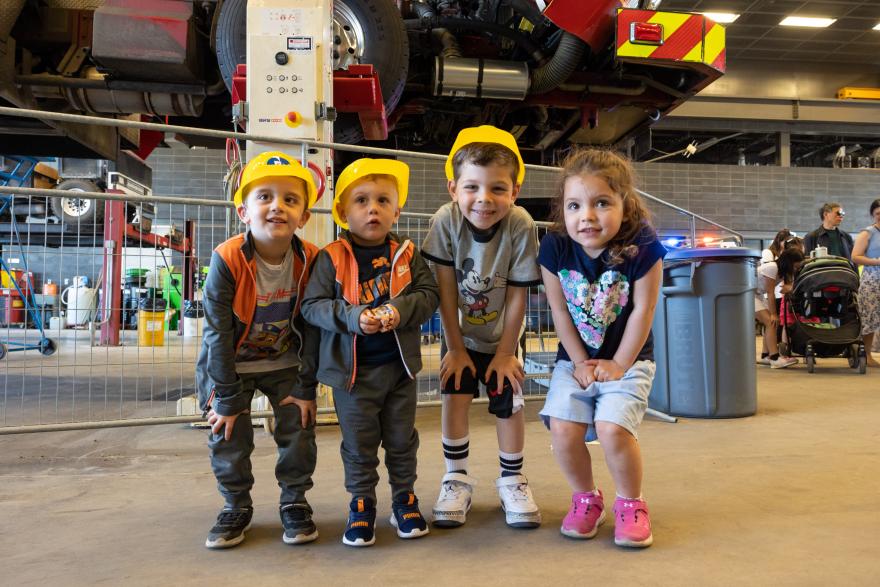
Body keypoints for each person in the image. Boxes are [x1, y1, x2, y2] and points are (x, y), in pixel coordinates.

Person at [301, 158, 439, 547]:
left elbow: (428, 296)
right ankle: (361, 504)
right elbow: (313, 307)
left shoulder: (409, 255)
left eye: (382, 200)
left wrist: (399, 310)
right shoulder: (330, 257)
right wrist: (354, 317)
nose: (372, 208)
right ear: (343, 211)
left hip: (399, 373)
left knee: (401, 439)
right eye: (361, 200)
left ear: (397, 210)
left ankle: (404, 499)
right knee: (359, 444)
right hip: (353, 377)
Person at [536, 149, 666, 548]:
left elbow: (644, 309)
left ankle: (631, 503)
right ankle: (586, 499)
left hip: (630, 359)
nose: (587, 216)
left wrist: (619, 363)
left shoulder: (643, 246)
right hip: (574, 360)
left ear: (625, 205)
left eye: (602, 203)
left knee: (611, 430)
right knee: (563, 428)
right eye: (574, 205)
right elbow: (558, 308)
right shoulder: (555, 247)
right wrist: (579, 362)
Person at [196, 151, 321, 549]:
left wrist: (305, 386)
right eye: (264, 197)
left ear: (303, 216)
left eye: (290, 199)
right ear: (243, 211)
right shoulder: (227, 258)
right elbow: (216, 331)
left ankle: (295, 502)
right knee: (227, 431)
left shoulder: (313, 259)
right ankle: (236, 504)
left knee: (299, 428)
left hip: (285, 360)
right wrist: (227, 396)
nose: (277, 206)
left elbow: (315, 328)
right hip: (230, 363)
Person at [421, 125, 543, 529]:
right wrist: (454, 349)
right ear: (453, 188)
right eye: (472, 187)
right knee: (454, 394)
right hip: (460, 333)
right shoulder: (445, 220)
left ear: (515, 191)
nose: (484, 200)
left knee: (509, 401)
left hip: (503, 336)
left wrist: (507, 353)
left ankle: (513, 479)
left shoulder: (521, 224)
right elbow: (445, 291)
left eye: (497, 189)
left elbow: (518, 296)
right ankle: (455, 477)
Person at [756, 248, 805, 368]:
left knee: (772, 323)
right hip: (749, 293)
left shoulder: (782, 272)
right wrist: (773, 314)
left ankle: (765, 356)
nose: (795, 269)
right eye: (794, 267)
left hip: (758, 294)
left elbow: (786, 288)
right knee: (771, 321)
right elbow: (770, 292)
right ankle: (774, 358)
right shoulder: (772, 267)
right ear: (788, 262)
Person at [850, 199, 880, 367]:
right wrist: (877, 261)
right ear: (872, 215)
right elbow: (855, 256)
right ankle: (867, 354)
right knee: (869, 318)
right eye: (877, 214)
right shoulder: (867, 233)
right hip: (872, 282)